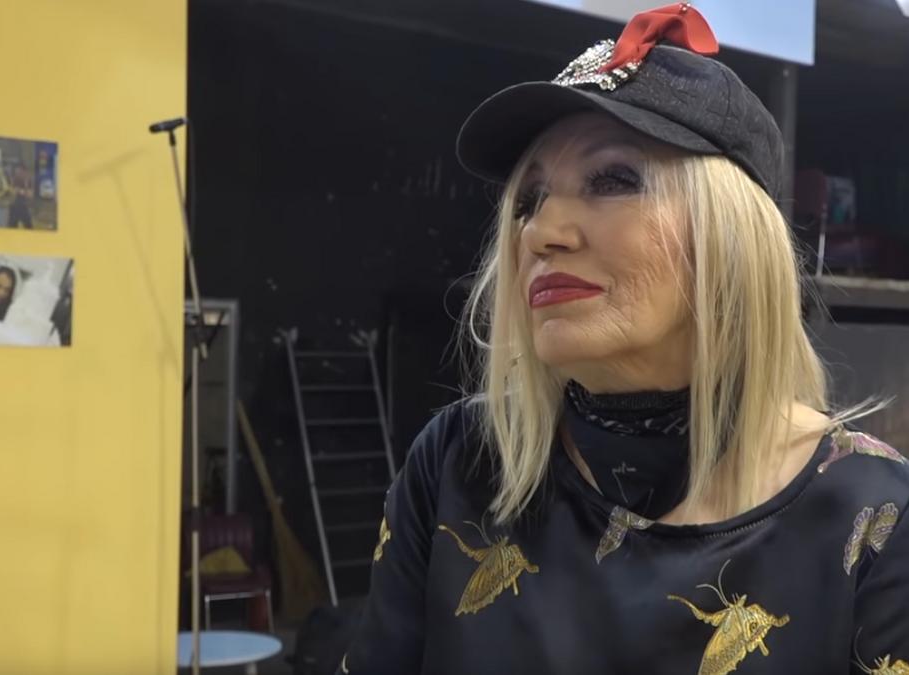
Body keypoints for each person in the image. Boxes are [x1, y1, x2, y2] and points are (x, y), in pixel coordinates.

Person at [339, 4, 909, 674]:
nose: (540, 232)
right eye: (529, 200)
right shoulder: (458, 462)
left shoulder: (875, 517)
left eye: (612, 179)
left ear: (730, 237)